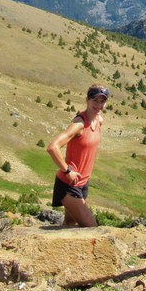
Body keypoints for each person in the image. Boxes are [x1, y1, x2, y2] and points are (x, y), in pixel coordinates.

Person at [46, 83, 109, 227]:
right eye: (95, 100)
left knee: (69, 224)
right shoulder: (79, 124)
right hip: (69, 184)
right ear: (87, 100)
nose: (99, 105)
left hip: (82, 183)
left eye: (102, 101)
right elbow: (52, 147)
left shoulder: (99, 120)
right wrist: (67, 171)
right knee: (91, 228)